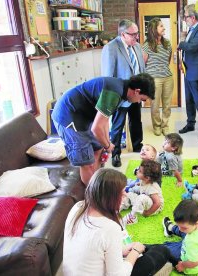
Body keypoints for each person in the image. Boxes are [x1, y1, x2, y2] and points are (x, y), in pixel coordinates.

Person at [63, 168, 171, 275]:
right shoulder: (109, 227)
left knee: (144, 247)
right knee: (162, 250)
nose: (125, 195)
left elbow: (94, 249)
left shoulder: (77, 207)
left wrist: (122, 251)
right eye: (122, 192)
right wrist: (135, 252)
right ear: (111, 197)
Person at [51, 74, 155, 185]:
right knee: (87, 162)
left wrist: (106, 143)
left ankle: (97, 183)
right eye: (142, 99)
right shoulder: (114, 93)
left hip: (84, 116)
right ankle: (93, 194)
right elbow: (96, 128)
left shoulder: (121, 91)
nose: (139, 102)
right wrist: (107, 145)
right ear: (137, 91)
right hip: (67, 115)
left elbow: (104, 121)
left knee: (98, 150)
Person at [101, 19, 146, 167]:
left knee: (136, 121)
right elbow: (108, 76)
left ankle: (137, 145)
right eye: (133, 34)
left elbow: (141, 70)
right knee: (118, 125)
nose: (136, 37)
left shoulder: (138, 47)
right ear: (123, 34)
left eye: (137, 34)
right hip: (120, 96)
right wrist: (113, 97)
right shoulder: (111, 48)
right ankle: (115, 153)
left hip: (136, 94)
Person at [177, 4, 198, 139]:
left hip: (197, 71)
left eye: (185, 17)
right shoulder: (192, 29)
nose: (185, 20)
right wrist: (182, 62)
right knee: (189, 99)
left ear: (192, 17)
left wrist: (181, 43)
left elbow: (192, 47)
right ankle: (190, 123)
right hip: (188, 68)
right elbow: (189, 49)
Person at [142, 17, 174, 136]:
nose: (163, 28)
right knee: (155, 105)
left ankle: (165, 126)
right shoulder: (146, 45)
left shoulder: (167, 43)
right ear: (154, 29)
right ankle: (156, 126)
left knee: (167, 105)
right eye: (161, 26)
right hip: (154, 79)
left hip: (168, 78)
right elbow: (143, 63)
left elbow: (167, 60)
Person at [162, 200, 198, 274]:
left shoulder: (191, 241)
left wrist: (182, 265)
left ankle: (144, 248)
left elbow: (195, 262)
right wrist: (184, 228)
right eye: (178, 225)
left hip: (191, 265)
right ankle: (170, 228)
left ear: (196, 223)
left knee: (163, 249)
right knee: (184, 231)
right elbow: (184, 228)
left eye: (184, 227)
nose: (180, 229)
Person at [122, 160, 164, 225]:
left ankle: (132, 217)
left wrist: (147, 213)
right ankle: (118, 206)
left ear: (147, 178)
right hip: (145, 201)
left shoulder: (152, 188)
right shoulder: (144, 180)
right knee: (129, 195)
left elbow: (157, 203)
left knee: (141, 197)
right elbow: (140, 185)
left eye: (140, 171)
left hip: (155, 208)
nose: (137, 171)